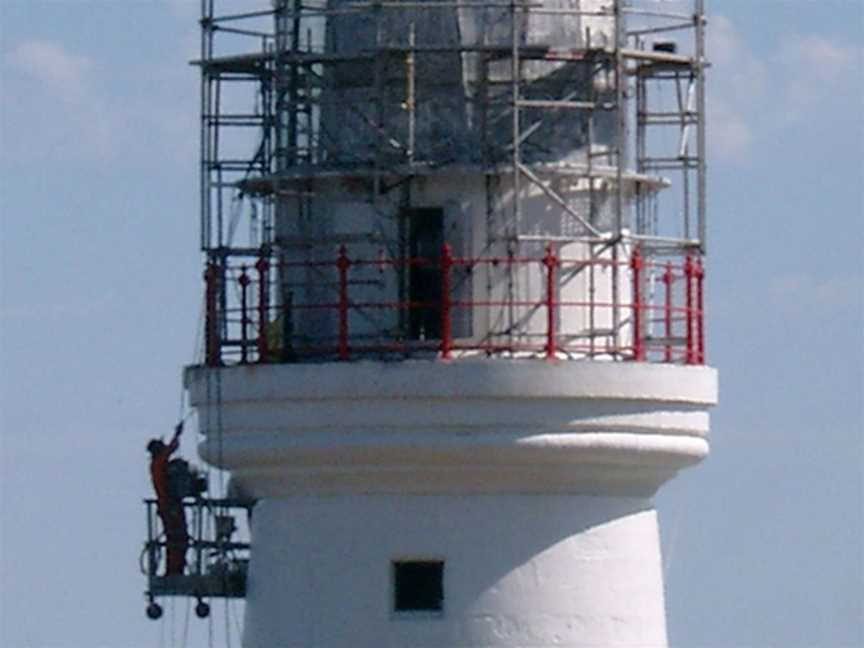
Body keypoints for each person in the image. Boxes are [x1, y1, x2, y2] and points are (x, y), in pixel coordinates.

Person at [147, 423, 189, 576]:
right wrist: (177, 434)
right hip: (170, 507)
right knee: (178, 540)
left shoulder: (156, 465)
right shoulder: (159, 463)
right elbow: (170, 449)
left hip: (169, 506)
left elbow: (170, 450)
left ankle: (174, 570)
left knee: (177, 540)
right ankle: (174, 570)